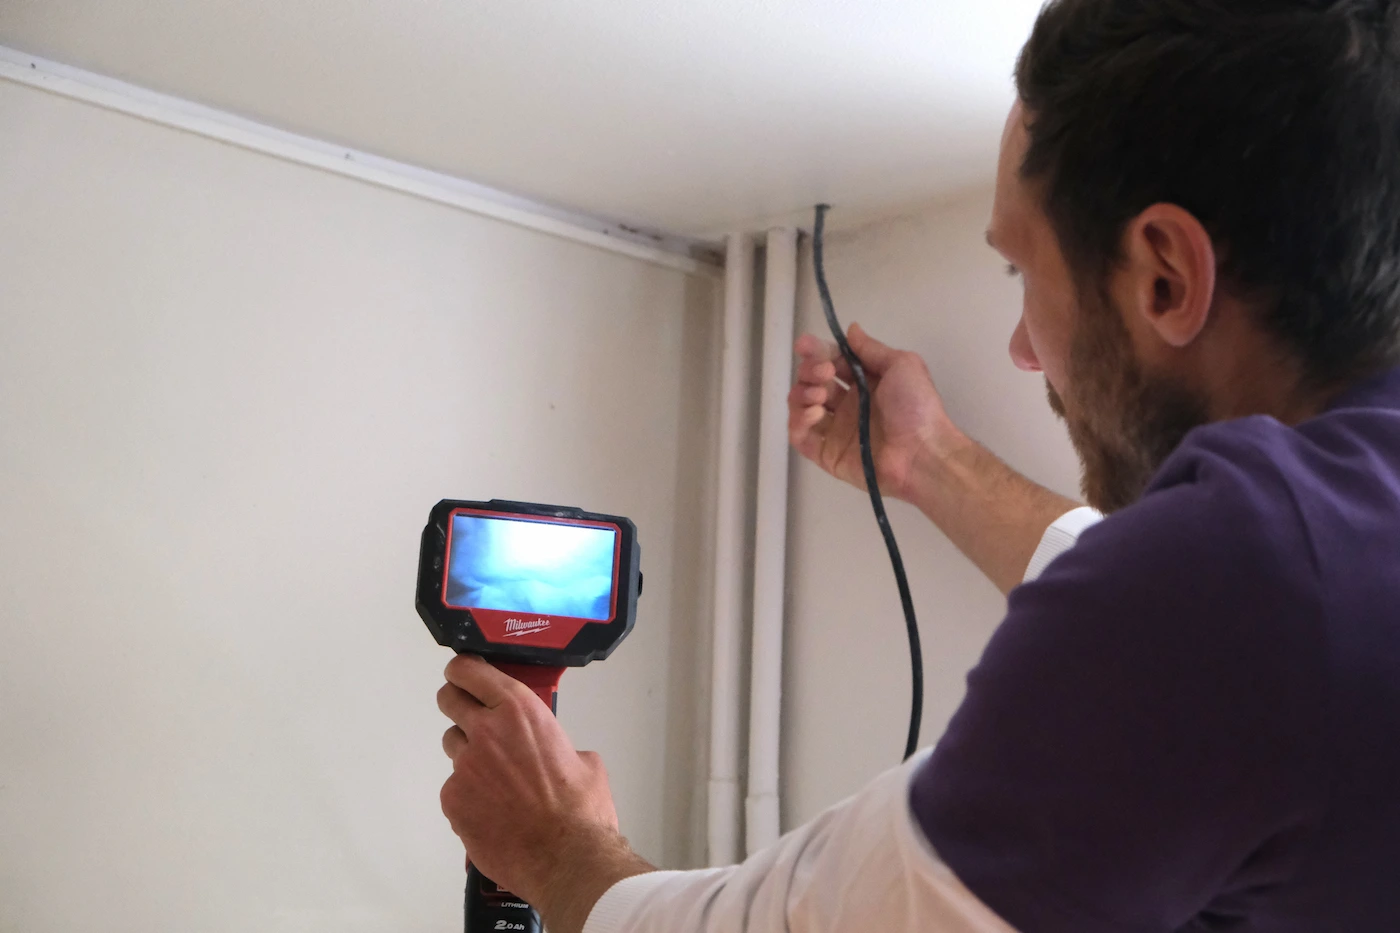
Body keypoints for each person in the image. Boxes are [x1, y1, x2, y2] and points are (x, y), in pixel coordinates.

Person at [434, 0, 1400, 929]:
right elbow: (1205, 627)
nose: (1023, 349)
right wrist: (928, 458)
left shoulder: (1244, 582)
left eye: (1023, 269)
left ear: (1165, 276)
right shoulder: (1324, 560)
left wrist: (556, 848)